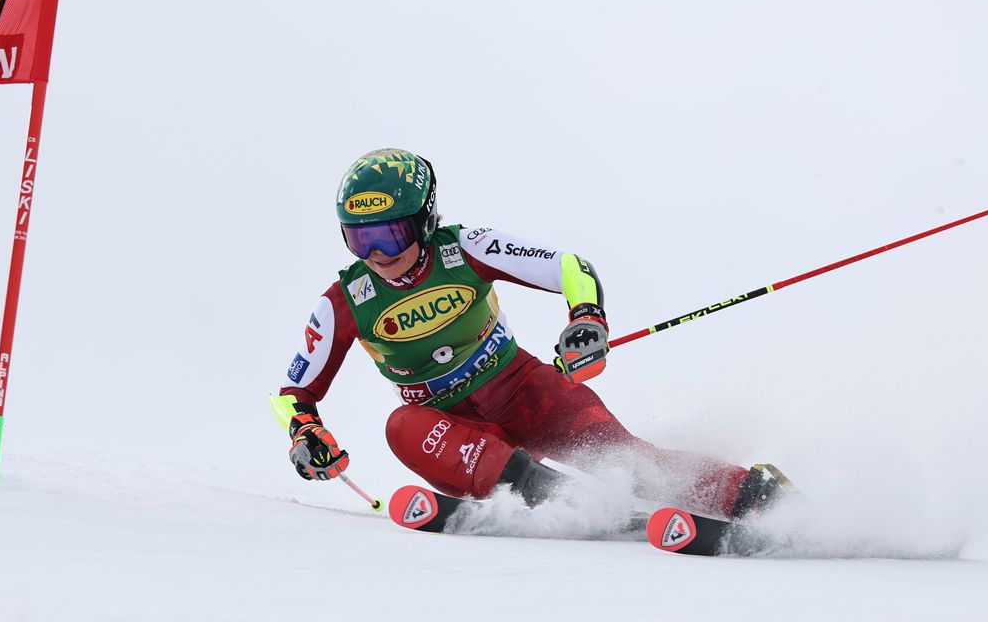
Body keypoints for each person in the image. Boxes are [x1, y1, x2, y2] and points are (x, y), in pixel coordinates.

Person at [272, 148, 788, 520]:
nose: (378, 255)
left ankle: (762, 499)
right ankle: (545, 495)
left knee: (631, 463)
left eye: (391, 234)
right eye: (359, 238)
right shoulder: (344, 302)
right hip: (451, 429)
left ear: (424, 221)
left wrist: (587, 318)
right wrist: (304, 432)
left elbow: (568, 266)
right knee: (401, 425)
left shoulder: (467, 247)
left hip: (523, 390)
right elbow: (294, 394)